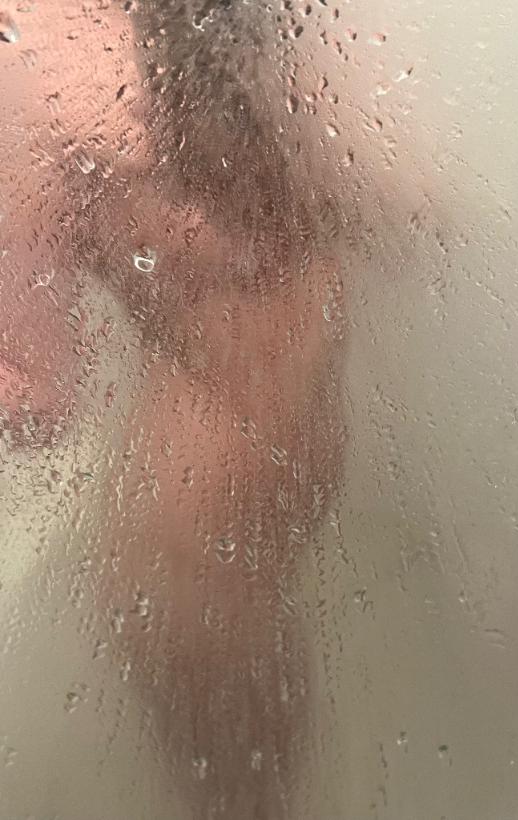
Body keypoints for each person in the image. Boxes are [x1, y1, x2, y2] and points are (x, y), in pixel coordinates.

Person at [0, 1, 345, 817]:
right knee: (243, 633)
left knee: (229, 752)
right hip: (301, 394)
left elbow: (41, 401)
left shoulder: (30, 68)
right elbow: (418, 209)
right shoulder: (285, 25)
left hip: (212, 476)